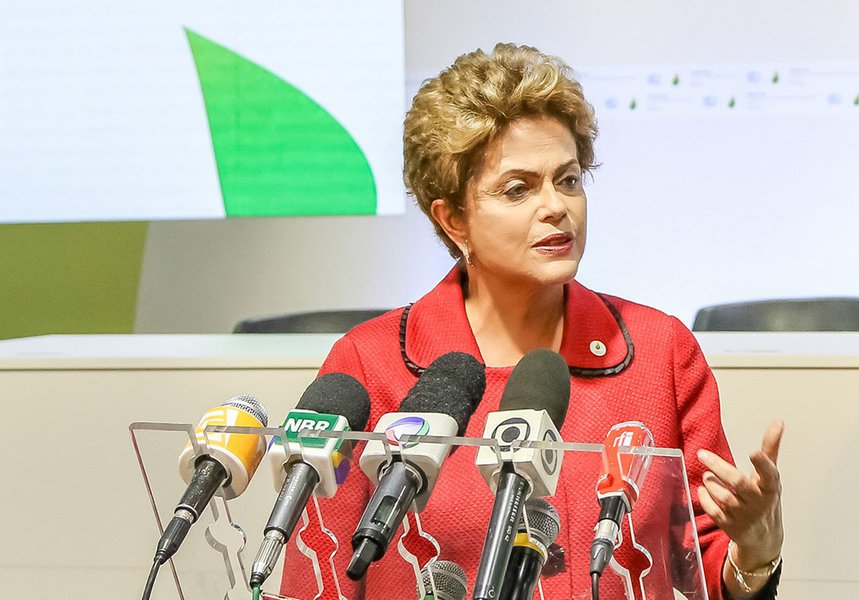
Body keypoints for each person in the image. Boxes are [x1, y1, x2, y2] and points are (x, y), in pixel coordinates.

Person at [280, 43, 783, 600]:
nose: (556, 207)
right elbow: (319, 580)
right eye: (519, 188)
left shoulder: (661, 352)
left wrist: (754, 555)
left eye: (568, 180)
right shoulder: (368, 364)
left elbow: (706, 568)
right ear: (453, 220)